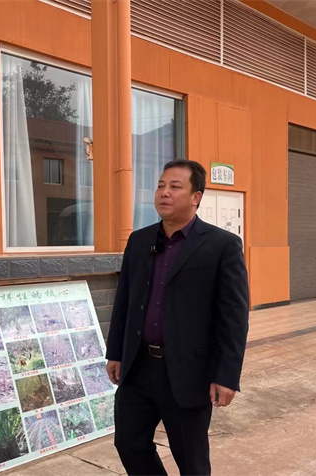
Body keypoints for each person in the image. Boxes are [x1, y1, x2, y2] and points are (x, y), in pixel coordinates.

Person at [106, 159, 249, 476]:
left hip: (188, 371)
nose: (164, 193)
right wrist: (115, 352)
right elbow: (124, 300)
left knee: (191, 460)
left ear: (196, 197)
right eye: (160, 186)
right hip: (138, 367)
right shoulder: (139, 241)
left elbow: (234, 317)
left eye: (174, 186)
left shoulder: (222, 245)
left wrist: (227, 375)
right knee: (129, 443)